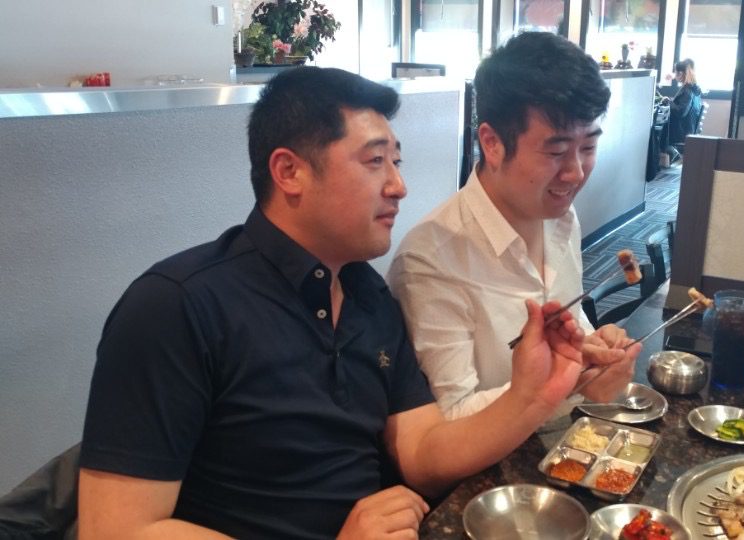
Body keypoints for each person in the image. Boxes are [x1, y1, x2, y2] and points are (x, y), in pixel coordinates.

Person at [77, 67, 588, 540]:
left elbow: (421, 450)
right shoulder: (178, 304)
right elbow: (119, 529)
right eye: (374, 161)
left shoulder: (368, 296)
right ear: (289, 172)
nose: (399, 185)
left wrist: (532, 396)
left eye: (397, 160)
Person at [387, 32, 641, 421]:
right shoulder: (431, 260)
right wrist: (570, 379)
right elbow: (451, 418)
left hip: (567, 443)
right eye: (555, 151)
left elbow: (570, 323)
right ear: (492, 142)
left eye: (588, 148)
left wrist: (594, 344)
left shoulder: (562, 220)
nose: (575, 173)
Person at [661, 58, 703, 165]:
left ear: (680, 73)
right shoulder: (694, 89)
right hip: (687, 128)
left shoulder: (687, 90)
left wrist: (669, 101)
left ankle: (659, 163)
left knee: (656, 131)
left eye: (676, 72)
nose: (675, 75)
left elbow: (681, 112)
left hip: (681, 131)